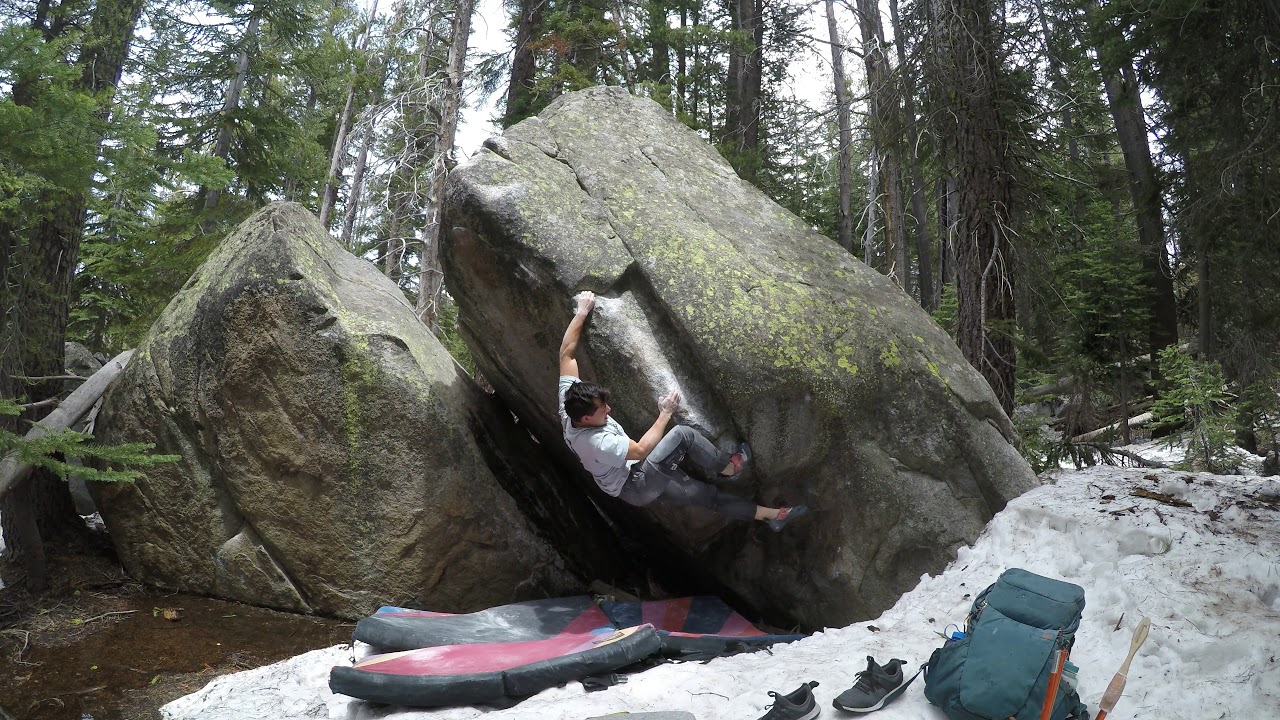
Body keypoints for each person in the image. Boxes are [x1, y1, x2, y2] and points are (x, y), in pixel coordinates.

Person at [557, 291, 807, 531]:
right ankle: (729, 467)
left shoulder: (570, 404)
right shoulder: (598, 443)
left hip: (630, 478)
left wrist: (581, 313)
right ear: (587, 418)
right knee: (683, 435)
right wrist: (665, 414)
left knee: (706, 496)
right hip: (637, 484)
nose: (609, 410)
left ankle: (774, 517)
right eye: (603, 411)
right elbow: (642, 449)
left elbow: (566, 354)